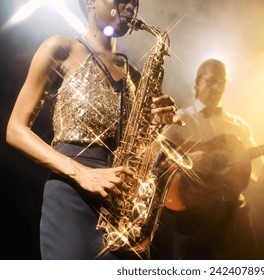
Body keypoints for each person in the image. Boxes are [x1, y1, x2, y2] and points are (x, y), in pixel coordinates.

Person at [6, 0, 182, 260]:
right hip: (71, 197)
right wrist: (83, 174)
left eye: (135, 0)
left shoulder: (136, 74)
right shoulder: (60, 48)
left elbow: (139, 147)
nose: (131, 5)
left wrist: (157, 125)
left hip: (121, 207)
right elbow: (15, 130)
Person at [157, 59, 264, 260]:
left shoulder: (239, 126)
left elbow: (260, 173)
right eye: (211, 81)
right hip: (192, 212)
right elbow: (154, 161)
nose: (217, 87)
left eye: (222, 82)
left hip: (233, 216)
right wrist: (185, 160)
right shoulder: (178, 120)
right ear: (197, 82)